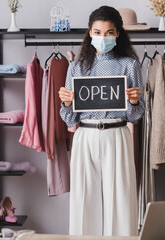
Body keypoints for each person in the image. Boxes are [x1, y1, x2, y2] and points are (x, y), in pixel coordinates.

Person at [59, 6, 144, 236]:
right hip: (85, 136)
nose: (102, 37)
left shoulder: (129, 65)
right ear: (89, 33)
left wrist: (135, 101)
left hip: (117, 133)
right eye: (97, 32)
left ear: (118, 34)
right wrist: (66, 103)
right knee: (84, 199)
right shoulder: (76, 67)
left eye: (108, 32)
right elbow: (69, 119)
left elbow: (135, 116)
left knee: (120, 199)